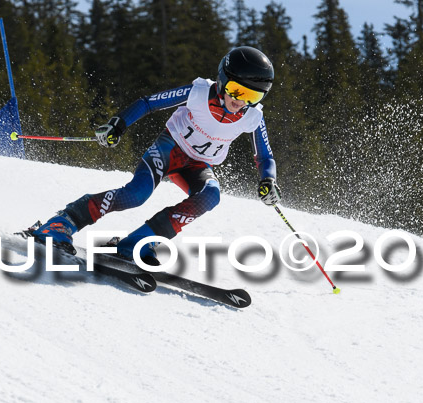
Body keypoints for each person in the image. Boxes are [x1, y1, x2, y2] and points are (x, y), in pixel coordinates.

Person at [30, 46, 281, 264]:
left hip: (198, 165)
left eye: (252, 96)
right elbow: (149, 102)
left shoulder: (253, 117)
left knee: (210, 196)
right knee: (135, 195)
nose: (241, 101)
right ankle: (62, 223)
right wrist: (118, 124)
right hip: (169, 148)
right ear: (223, 80)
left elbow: (265, 157)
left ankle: (138, 243)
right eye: (237, 90)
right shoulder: (199, 92)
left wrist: (268, 181)